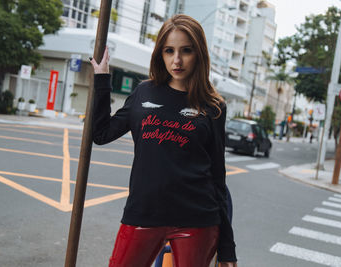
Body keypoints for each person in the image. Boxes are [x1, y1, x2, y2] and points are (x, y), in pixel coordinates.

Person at [90, 14, 237, 267]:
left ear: (199, 54)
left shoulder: (213, 107)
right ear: (161, 53)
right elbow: (101, 134)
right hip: (143, 213)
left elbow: (217, 178)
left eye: (186, 51)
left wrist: (227, 249)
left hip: (197, 220)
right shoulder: (144, 93)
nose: (176, 60)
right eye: (169, 50)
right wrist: (102, 80)